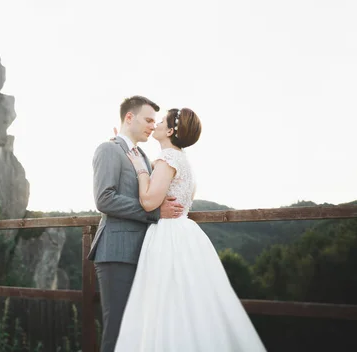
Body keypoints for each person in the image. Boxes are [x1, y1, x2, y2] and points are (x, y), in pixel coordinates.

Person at [114, 107, 267, 352]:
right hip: (186, 234)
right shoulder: (182, 160)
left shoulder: (168, 159)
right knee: (189, 303)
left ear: (172, 130)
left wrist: (141, 170)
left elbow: (149, 202)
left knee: (165, 303)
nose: (156, 125)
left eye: (162, 121)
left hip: (167, 236)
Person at [87, 96, 185, 352]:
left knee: (137, 332)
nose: (153, 126)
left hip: (143, 251)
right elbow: (104, 199)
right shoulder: (109, 149)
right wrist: (155, 214)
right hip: (116, 251)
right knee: (117, 330)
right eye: (148, 119)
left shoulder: (142, 155)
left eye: (156, 121)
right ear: (129, 118)